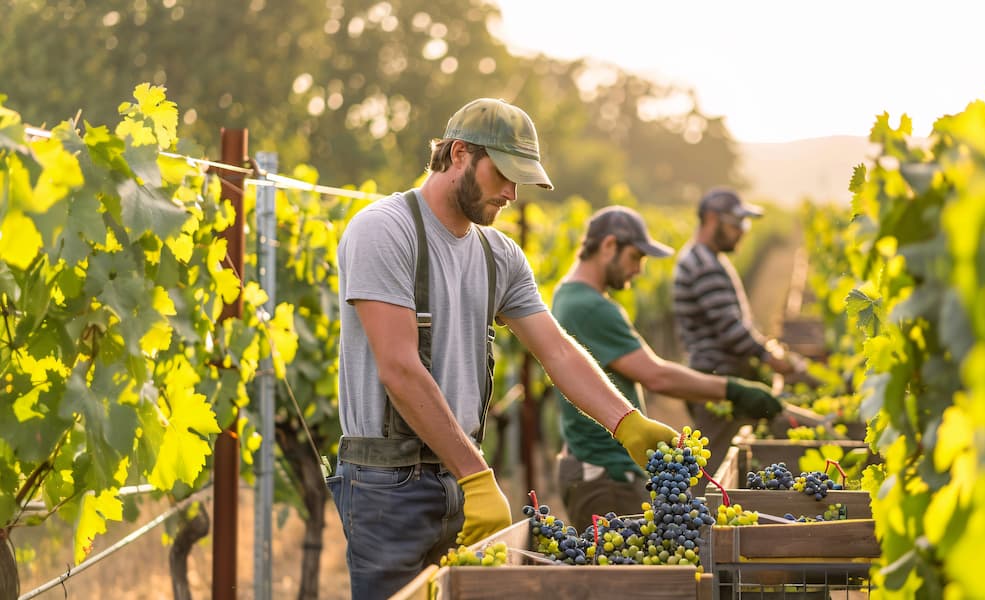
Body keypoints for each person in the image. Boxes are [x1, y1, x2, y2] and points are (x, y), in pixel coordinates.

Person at [329, 98, 680, 599]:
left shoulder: (500, 255)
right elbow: (400, 369)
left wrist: (627, 423)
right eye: (504, 175)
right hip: (389, 488)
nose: (512, 194)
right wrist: (475, 475)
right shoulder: (384, 230)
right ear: (458, 155)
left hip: (463, 483)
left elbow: (556, 350)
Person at [552, 206, 782, 529]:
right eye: (635, 257)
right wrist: (731, 389)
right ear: (608, 246)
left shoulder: (567, 296)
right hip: (606, 474)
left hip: (595, 465)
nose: (639, 270)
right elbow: (656, 375)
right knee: (627, 574)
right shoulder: (590, 307)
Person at [672, 187, 808, 469]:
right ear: (711, 219)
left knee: (717, 462)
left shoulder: (706, 258)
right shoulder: (703, 265)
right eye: (736, 223)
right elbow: (731, 330)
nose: (743, 231)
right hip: (717, 379)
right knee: (713, 469)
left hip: (715, 376)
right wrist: (770, 357)